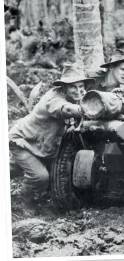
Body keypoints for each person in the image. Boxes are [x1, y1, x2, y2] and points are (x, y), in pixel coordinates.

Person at [9, 63, 95, 207]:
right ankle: (24, 202)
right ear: (64, 87)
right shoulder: (54, 99)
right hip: (23, 141)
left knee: (10, 170)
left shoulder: (75, 98)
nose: (78, 91)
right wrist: (89, 109)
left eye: (81, 87)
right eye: (73, 87)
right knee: (40, 177)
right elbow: (65, 109)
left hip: (41, 146)